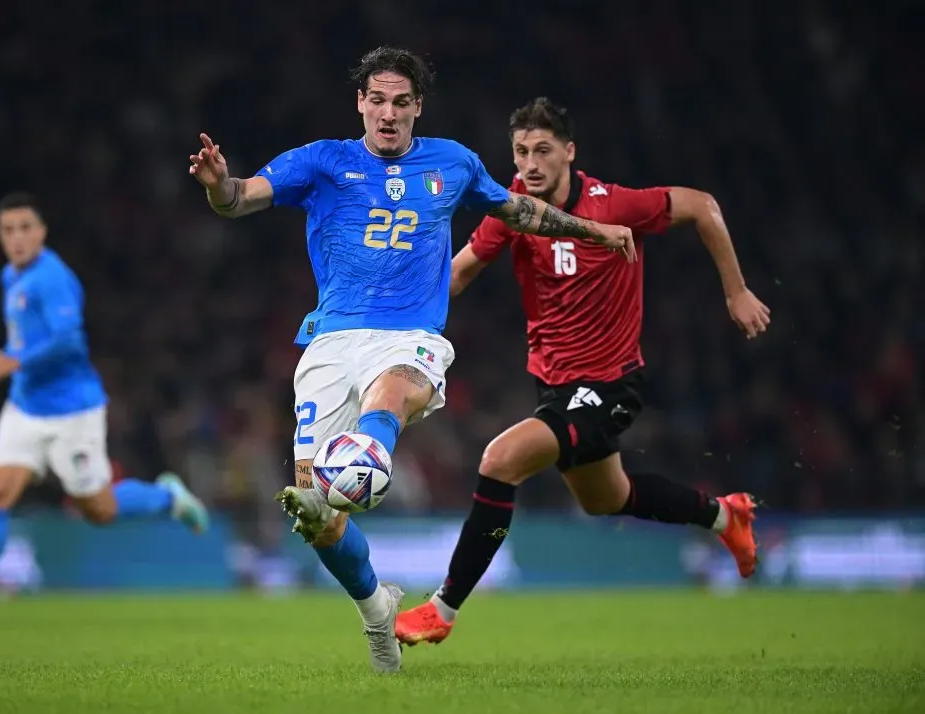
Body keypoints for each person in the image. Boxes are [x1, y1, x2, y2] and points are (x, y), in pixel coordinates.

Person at [187, 49, 634, 673]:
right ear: (361, 104)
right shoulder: (323, 161)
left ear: (417, 107)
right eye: (378, 100)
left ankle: (370, 456)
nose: (389, 114)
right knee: (314, 511)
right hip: (330, 344)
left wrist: (594, 231)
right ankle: (376, 609)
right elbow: (238, 198)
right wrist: (216, 185)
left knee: (393, 391)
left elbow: (521, 213)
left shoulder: (453, 163)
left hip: (411, 336)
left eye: (402, 102)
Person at [394, 97, 772, 646]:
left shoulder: (614, 204)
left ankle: (442, 609)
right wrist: (392, 308)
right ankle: (725, 517)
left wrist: (735, 291)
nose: (529, 164)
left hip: (612, 384)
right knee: (605, 498)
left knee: (500, 461)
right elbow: (455, 277)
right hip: (556, 387)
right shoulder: (515, 210)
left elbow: (702, 205)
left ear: (570, 152)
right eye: (521, 152)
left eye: (542, 150)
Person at [0, 192, 209, 625]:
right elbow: (26, 343)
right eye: (8, 230)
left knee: (98, 510)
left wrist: (9, 363)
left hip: (72, 413)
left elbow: (68, 341)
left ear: (41, 232)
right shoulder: (10, 277)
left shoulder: (53, 278)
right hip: (24, 408)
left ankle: (167, 497)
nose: (17, 238)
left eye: (25, 228)